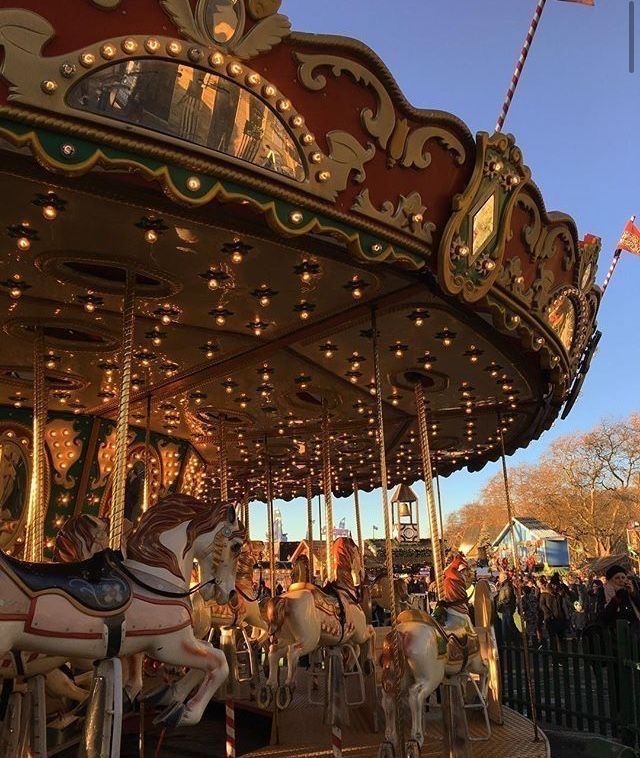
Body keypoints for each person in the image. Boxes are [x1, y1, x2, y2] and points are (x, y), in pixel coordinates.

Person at [602, 564, 640, 634]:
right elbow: (605, 616)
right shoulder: (604, 592)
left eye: (623, 577)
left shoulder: (630, 591)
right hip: (614, 634)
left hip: (634, 633)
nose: (621, 580)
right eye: (617, 578)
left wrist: (633, 594)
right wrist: (617, 597)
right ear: (610, 580)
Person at [540, 574, 568, 646]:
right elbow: (542, 605)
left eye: (557, 584)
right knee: (553, 639)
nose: (556, 586)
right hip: (550, 619)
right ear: (551, 584)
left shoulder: (560, 593)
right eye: (555, 585)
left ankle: (563, 654)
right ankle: (555, 655)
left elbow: (564, 604)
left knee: (562, 638)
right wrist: (548, 613)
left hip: (560, 617)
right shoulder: (545, 594)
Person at [496, 572, 518, 643]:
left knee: (509, 625)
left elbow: (507, 598)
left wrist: (500, 603)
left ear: (504, 577)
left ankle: (515, 639)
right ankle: (508, 639)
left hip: (507, 608)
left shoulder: (507, 586)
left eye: (500, 577)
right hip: (505, 608)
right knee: (506, 625)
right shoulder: (504, 585)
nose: (499, 578)